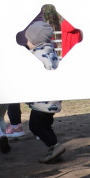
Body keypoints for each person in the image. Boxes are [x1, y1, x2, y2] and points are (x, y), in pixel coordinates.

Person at [0, 0, 42, 140]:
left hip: (21, 40)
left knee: (12, 84)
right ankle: (40, 126)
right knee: (34, 84)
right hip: (35, 38)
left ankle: (16, 125)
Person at [22, 20, 66, 164]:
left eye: (28, 39)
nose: (26, 42)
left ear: (34, 41)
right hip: (53, 100)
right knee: (45, 125)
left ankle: (55, 146)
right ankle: (54, 149)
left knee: (35, 126)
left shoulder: (36, 56)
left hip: (42, 101)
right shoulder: (50, 52)